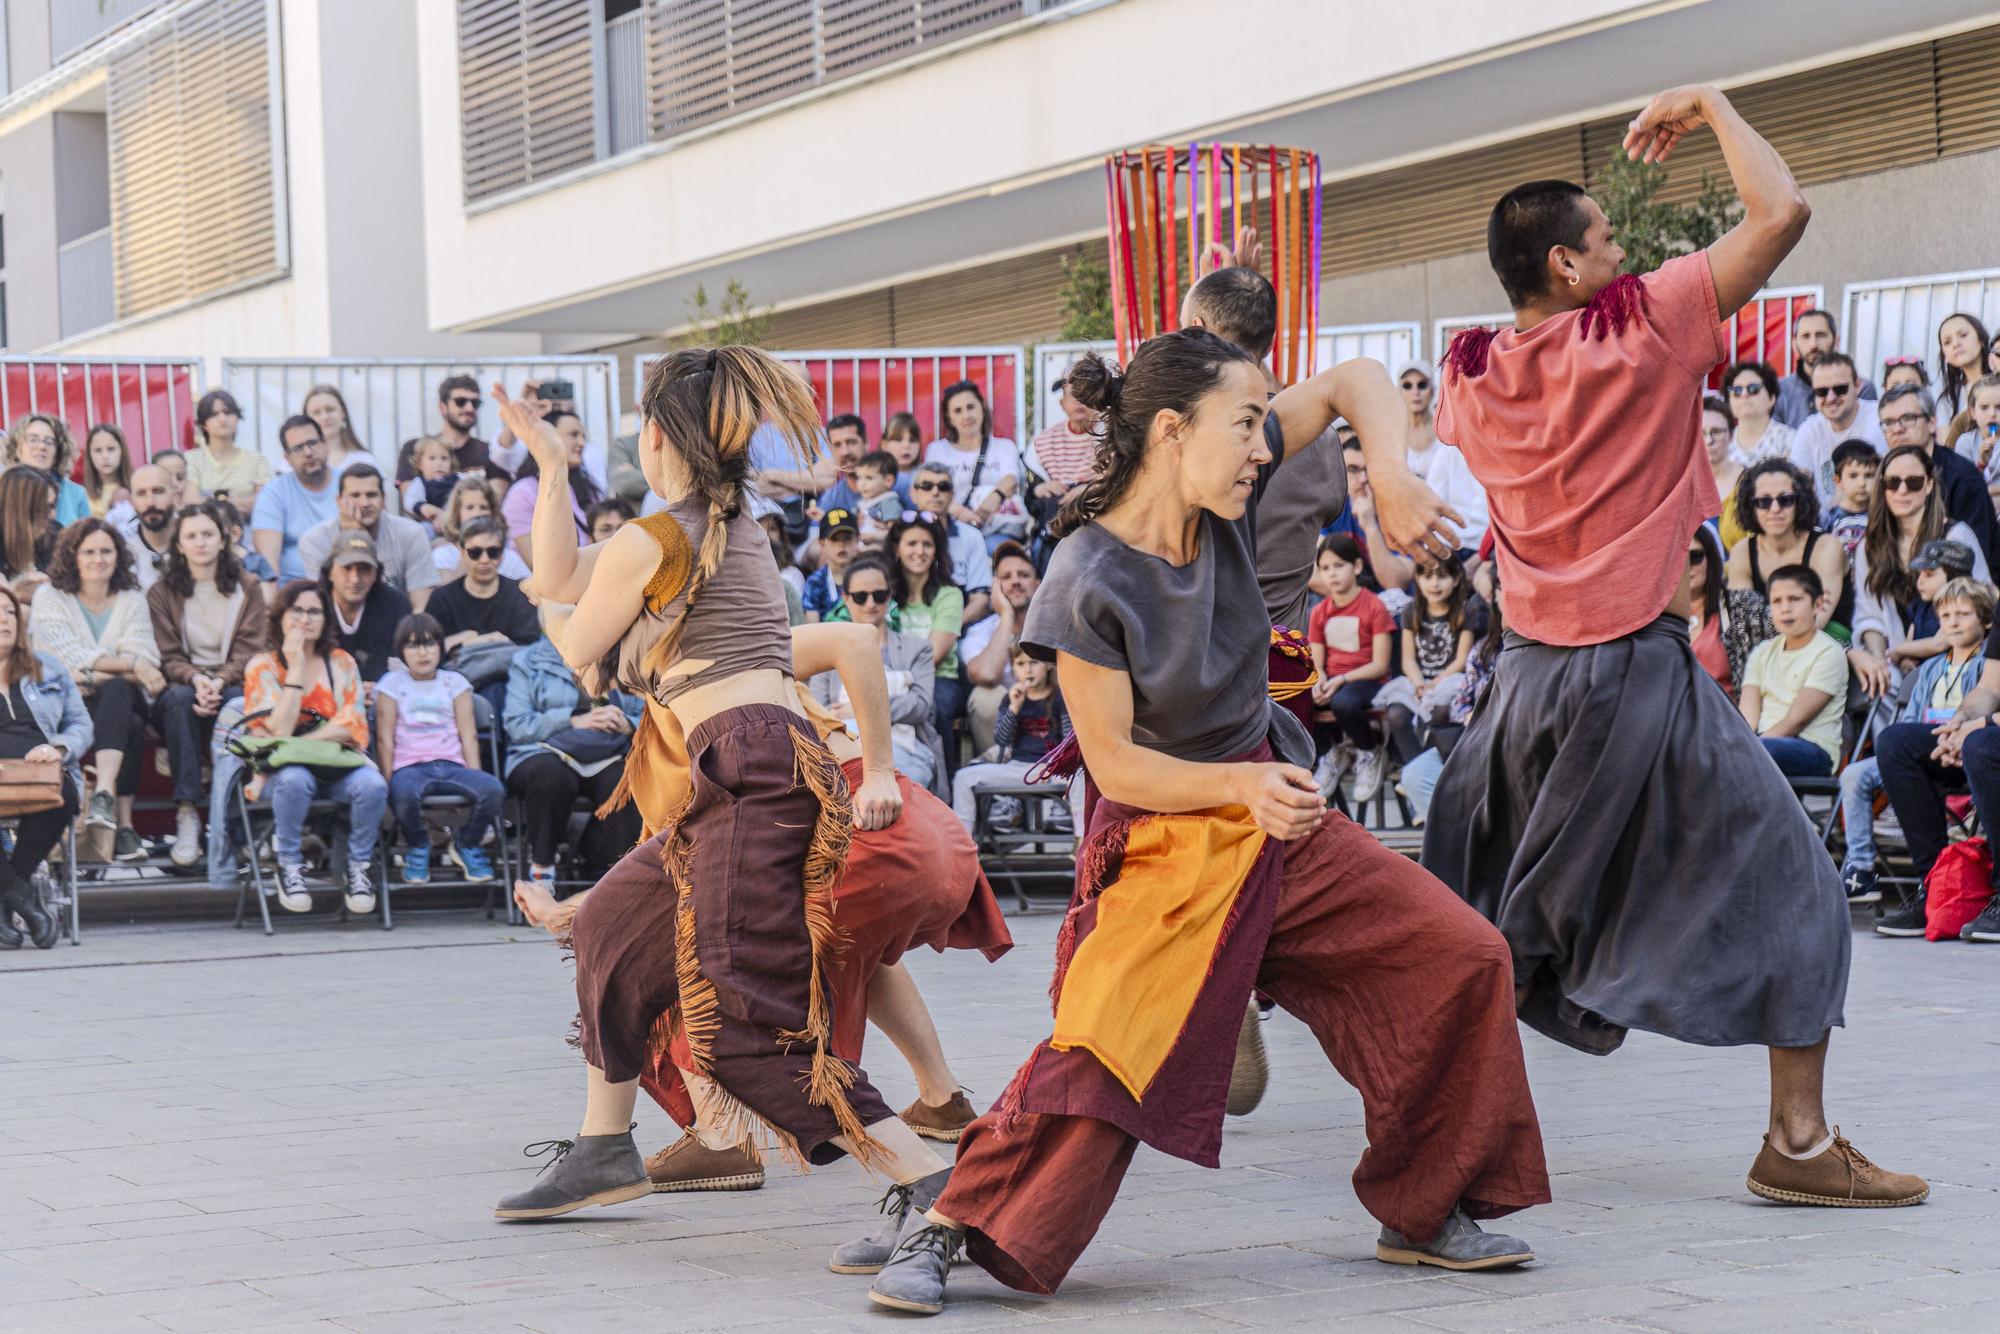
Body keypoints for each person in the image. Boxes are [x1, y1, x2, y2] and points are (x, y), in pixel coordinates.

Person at [876, 331, 1546, 1316]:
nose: (1262, 448)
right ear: (1170, 430)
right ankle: (945, 1223)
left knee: (1461, 954)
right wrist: (1240, 788)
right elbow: (1114, 763)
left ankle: (1423, 1207)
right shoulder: (1085, 574)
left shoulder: (1232, 492)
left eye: (1262, 424)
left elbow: (1356, 378)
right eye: (1245, 425)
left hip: (1276, 815)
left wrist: (1394, 476)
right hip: (1167, 837)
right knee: (1105, 1055)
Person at [1423, 83, 1924, 1209]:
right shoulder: (1638, 324)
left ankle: (1425, 1130)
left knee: (1477, 913)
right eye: (1605, 237)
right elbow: (1781, 210)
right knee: (1798, 882)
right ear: (1566, 265)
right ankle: (1795, 1143)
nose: (1623, 250)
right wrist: (1710, 103)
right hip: (1633, 671)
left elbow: (1376, 396)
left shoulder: (1467, 372)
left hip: (1523, 686)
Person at [489, 347, 965, 1262]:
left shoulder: (659, 539)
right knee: (612, 926)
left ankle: (940, 1193)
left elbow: (572, 638)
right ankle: (603, 1148)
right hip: (749, 766)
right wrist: (550, 467)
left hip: (751, 768)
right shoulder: (723, 524)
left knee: (744, 1026)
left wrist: (552, 600)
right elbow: (563, 573)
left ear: (654, 437)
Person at [511, 620, 1010, 1185]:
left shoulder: (710, 661)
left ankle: (728, 1140)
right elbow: (662, 874)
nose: (570, 652)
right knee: (845, 943)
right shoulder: (673, 709)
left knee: (705, 968)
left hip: (863, 826)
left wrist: (877, 774)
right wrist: (572, 909)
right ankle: (941, 1098)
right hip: (920, 834)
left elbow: (854, 640)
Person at [1839, 575, 1991, 907]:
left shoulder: (1987, 667)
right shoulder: (1929, 669)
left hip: (1966, 750)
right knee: (1858, 770)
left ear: (1987, 620)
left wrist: (1957, 737)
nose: (1953, 622)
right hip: (1927, 750)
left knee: (1979, 751)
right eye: (1946, 616)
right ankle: (1861, 868)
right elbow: (1910, 723)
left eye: (1963, 614)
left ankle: (1962, 874)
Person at [240, 580, 385, 915]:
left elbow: (351, 724)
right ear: (280, 617)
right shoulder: (262, 666)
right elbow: (278, 727)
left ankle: (359, 867)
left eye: (315, 612)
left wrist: (294, 745)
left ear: (326, 619)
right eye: (297, 611)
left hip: (336, 768)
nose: (305, 619)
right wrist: (296, 669)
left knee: (373, 785)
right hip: (282, 775)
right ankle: (288, 864)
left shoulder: (342, 662)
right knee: (295, 778)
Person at [30, 519, 164, 864]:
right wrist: (129, 665)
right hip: (68, 703)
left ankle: (104, 793)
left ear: (118, 556)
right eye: (89, 552)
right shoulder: (50, 597)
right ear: (72, 556)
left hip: (119, 696)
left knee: (118, 690)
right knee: (130, 723)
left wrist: (94, 674)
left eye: (106, 551)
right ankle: (124, 826)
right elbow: (62, 660)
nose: (98, 559)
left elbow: (146, 655)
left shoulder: (132, 599)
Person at [147, 501, 270, 869]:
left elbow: (251, 650)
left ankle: (236, 821)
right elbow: (167, 655)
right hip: (183, 683)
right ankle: (187, 812)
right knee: (179, 699)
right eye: (191, 536)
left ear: (223, 539)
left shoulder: (248, 586)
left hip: (231, 681)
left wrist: (218, 680)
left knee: (237, 701)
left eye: (207, 534)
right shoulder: (162, 592)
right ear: (179, 545)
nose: (200, 542)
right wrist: (198, 679)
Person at [1871, 594, 2000, 938]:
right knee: (1897, 743)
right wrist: (1958, 723)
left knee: (1982, 745)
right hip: (1985, 731)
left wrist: (1982, 726)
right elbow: (1989, 688)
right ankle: (1934, 888)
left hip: (1990, 736)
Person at [1847, 446, 1989, 699]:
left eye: (1913, 482)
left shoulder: (1955, 536)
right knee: (1879, 683)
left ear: (1929, 484)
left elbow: (1980, 606)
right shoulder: (1870, 546)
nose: (1901, 491)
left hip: (1957, 659)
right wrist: (1881, 659)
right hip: (1897, 661)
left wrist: (1907, 652)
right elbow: (1869, 617)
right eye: (1892, 482)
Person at [502, 634, 643, 888]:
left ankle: (620, 878)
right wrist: (573, 719)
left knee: (626, 781)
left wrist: (628, 724)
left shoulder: (622, 653)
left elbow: (650, 715)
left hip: (608, 750)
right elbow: (517, 725)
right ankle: (542, 868)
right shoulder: (528, 661)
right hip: (541, 750)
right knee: (551, 777)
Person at [374, 613, 501, 885]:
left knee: (492, 789)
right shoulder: (391, 684)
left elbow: (469, 736)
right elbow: (384, 738)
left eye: (430, 643)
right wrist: (387, 782)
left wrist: (475, 773)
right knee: (403, 794)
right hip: (410, 767)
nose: (423, 652)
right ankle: (420, 844)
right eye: (413, 645)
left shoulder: (454, 682)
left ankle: (466, 844)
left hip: (452, 764)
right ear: (401, 651)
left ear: (441, 646)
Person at [811, 553, 946, 794]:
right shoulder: (826, 653)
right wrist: (892, 704)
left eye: (879, 595)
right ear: (846, 598)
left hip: (906, 750)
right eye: (861, 597)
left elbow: (921, 705)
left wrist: (859, 709)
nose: (871, 603)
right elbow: (819, 712)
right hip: (845, 751)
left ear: (890, 594)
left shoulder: (918, 649)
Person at [0, 585, 87, 950]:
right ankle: (28, 905)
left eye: (9, 612)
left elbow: (80, 722)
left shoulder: (47, 666)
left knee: (65, 793)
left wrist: (59, 747)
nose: (4, 619)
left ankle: (9, 900)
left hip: (41, 772)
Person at [1370, 554, 1477, 802]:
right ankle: (1414, 776)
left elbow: (1462, 659)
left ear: (1456, 579)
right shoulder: (1412, 611)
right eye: (1427, 576)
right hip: (1417, 680)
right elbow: (1408, 659)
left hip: (1451, 680)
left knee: (1441, 710)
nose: (1434, 584)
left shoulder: (1465, 610)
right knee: (1396, 714)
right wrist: (1419, 683)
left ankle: (1433, 777)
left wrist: (1435, 683)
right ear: (1417, 579)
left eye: (1442, 576)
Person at [1876, 381, 2000, 570]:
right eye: (1889, 422)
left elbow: (1971, 558)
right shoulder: (1883, 475)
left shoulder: (1963, 477)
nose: (1897, 429)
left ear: (1932, 423)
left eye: (1908, 418)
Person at [1306, 534, 1394, 799]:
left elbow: (1380, 665)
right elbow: (1317, 661)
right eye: (1325, 568)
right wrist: (1320, 680)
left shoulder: (1374, 606)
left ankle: (1369, 751)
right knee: (1296, 700)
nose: (1332, 574)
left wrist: (1342, 680)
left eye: (1338, 565)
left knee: (1344, 702)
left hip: (1367, 681)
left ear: (1356, 566)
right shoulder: (1319, 611)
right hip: (1333, 680)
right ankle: (1331, 750)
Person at [1738, 565, 1847, 778]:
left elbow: (1795, 721)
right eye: (1777, 601)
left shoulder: (1828, 652)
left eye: (1795, 599)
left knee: (1751, 754)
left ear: (1818, 604)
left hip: (1811, 748)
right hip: (1763, 744)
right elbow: (1747, 718)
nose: (1785, 609)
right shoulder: (1762, 652)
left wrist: (1749, 750)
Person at [426, 517, 540, 718]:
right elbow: (429, 648)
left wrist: (467, 642)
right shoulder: (441, 598)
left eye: (493, 552)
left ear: (502, 554)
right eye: (475, 552)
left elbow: (529, 648)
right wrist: (484, 639)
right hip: (455, 686)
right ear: (462, 553)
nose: (484, 559)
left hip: (510, 684)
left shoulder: (521, 595)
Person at [1723, 457, 1849, 637]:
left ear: (1800, 502)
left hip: (1827, 644)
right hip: (1764, 649)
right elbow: (1743, 627)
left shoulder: (1827, 547)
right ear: (1751, 507)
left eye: (1786, 500)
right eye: (1764, 501)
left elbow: (1815, 622)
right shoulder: (1742, 553)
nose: (1775, 509)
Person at [949, 644, 1069, 830]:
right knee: (963, 777)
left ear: (1047, 664)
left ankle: (1074, 827)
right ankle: (964, 840)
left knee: (1080, 776)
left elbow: (1069, 740)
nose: (1028, 670)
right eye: (1020, 664)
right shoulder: (1011, 698)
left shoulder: (1061, 696)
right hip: (1018, 768)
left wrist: (1055, 767)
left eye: (1034, 662)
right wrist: (1014, 709)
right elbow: (1002, 740)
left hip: (1054, 769)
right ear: (1012, 667)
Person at [297, 466, 438, 608]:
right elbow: (323, 606)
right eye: (355, 495)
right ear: (339, 501)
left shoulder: (412, 534)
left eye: (371, 495)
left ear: (384, 500)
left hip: (398, 618)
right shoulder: (316, 540)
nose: (364, 503)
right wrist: (352, 538)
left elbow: (421, 607)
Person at [884, 513, 966, 751]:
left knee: (933, 706)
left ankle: (942, 772)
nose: (920, 551)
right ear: (897, 549)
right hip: (889, 675)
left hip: (939, 678)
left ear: (936, 550)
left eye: (927, 544)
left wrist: (900, 681)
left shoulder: (949, 595)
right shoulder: (883, 592)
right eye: (912, 543)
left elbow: (934, 654)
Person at [925, 380, 1026, 550]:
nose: (966, 415)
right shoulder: (937, 451)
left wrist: (994, 498)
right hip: (951, 528)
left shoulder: (1004, 446)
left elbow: (1011, 479)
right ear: (949, 418)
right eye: (958, 411)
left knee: (995, 549)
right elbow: (930, 492)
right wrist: (960, 513)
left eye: (970, 407)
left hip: (997, 530)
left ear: (982, 407)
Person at [960, 540, 1039, 755]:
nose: (1015, 582)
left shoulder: (1053, 626)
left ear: (1038, 584)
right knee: (984, 696)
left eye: (1023, 575)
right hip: (1004, 724)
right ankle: (998, 764)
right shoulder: (979, 632)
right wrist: (1006, 616)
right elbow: (986, 675)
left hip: (1049, 718)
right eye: (1006, 577)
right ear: (995, 587)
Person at [502, 409, 603, 571]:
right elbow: (534, 561)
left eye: (583, 436)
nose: (582, 443)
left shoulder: (587, 488)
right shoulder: (521, 493)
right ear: (547, 438)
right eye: (573, 435)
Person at [250, 415, 342, 583]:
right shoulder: (273, 494)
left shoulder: (348, 485)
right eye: (298, 448)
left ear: (325, 444)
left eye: (312, 443)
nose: (308, 452)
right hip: (293, 588)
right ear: (287, 459)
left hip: (346, 583)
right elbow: (268, 565)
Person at [318, 531, 412, 685]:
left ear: (376, 574)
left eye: (364, 569)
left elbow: (405, 664)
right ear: (329, 572)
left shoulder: (396, 605)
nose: (355, 579)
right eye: (347, 568)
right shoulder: (313, 604)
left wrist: (383, 690)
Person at [906, 461, 993, 622]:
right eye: (926, 486)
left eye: (943, 486)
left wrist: (948, 629)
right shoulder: (899, 535)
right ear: (913, 493)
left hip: (960, 626)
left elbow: (980, 599)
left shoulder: (972, 536)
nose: (935, 492)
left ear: (952, 494)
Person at [1774, 310, 1875, 428]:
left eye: (1820, 335)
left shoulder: (1860, 388)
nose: (1813, 344)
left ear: (1836, 340)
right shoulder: (1779, 390)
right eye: (1805, 336)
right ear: (1794, 345)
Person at [399, 375, 506, 485]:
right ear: (443, 407)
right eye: (460, 402)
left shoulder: (492, 452)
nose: (469, 408)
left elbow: (497, 494)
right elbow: (409, 494)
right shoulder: (415, 448)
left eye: (475, 403)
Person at [184, 390, 272, 520]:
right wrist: (244, 502)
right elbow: (192, 502)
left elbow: (266, 502)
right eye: (214, 414)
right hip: (204, 528)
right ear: (203, 424)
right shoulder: (191, 459)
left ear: (237, 417)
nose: (223, 419)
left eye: (228, 412)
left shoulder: (257, 460)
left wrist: (210, 502)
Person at [431, 476, 530, 581]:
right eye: (470, 507)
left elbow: (527, 586)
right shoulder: (443, 556)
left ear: (493, 512)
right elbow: (446, 589)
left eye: (483, 507)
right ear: (457, 513)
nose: (477, 513)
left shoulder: (509, 557)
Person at [4, 414, 89, 527]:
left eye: (49, 441)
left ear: (59, 450)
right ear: (17, 447)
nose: (41, 446)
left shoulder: (76, 494)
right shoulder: (4, 490)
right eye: (33, 439)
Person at [0, 466, 58, 601]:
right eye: (47, 507)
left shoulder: (56, 534)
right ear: (22, 508)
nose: (53, 514)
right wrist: (16, 591)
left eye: (54, 505)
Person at [118, 465, 180, 591]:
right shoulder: (121, 545)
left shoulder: (195, 536)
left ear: (175, 496)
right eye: (141, 494)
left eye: (158, 491)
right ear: (132, 501)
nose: (150, 502)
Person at [1688, 524, 1733, 695]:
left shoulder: (1737, 609)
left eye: (1695, 556)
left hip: (1727, 709)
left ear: (1711, 558)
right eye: (1677, 559)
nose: (1686, 566)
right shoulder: (1653, 618)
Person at [1724, 360, 1793, 466]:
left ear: (1772, 399)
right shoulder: (1722, 442)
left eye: (1753, 388)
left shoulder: (1789, 440)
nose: (1744, 394)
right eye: (1737, 390)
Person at [1819, 439, 1877, 558]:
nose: (1862, 483)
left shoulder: (1880, 516)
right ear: (1838, 480)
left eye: (1869, 475)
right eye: (1853, 476)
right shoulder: (1827, 520)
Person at [1705, 393, 1747, 552]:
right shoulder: (1683, 485)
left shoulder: (1749, 482)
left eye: (1716, 432)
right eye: (1702, 433)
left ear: (1730, 435)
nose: (1709, 441)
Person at [302, 384, 372, 479]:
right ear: (306, 419)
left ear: (343, 413)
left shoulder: (365, 460)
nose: (325, 417)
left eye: (330, 410)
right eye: (316, 412)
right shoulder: (295, 463)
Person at [1935, 312, 1991, 430]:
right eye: (1947, 342)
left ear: (1981, 339)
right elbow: (1945, 440)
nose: (1955, 344)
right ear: (1945, 356)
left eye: (1963, 335)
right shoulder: (1947, 399)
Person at [801, 509, 859, 621]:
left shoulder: (868, 576)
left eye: (847, 538)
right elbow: (812, 627)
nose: (841, 544)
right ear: (822, 543)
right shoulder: (815, 583)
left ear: (858, 539)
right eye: (834, 539)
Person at [814, 413, 871, 516]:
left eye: (851, 442)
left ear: (866, 443)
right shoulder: (830, 499)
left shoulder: (894, 484)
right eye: (837, 445)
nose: (845, 452)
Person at [79, 424, 135, 520]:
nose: (105, 456)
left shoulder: (137, 488)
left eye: (111, 449)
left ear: (122, 451)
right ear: (89, 455)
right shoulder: (80, 494)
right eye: (98, 450)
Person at [401, 437, 458, 528]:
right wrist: (422, 507)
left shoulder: (458, 479)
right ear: (420, 464)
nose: (439, 463)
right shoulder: (419, 483)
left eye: (444, 458)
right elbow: (410, 500)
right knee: (424, 528)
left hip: (456, 520)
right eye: (432, 458)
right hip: (432, 522)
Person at [850, 450, 904, 535]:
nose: (862, 484)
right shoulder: (861, 502)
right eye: (859, 478)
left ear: (888, 481)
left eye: (869, 478)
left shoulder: (889, 502)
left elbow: (893, 531)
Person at [881, 412, 925, 497]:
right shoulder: (877, 475)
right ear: (885, 445)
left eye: (912, 440)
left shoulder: (925, 475)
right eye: (898, 440)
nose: (906, 445)